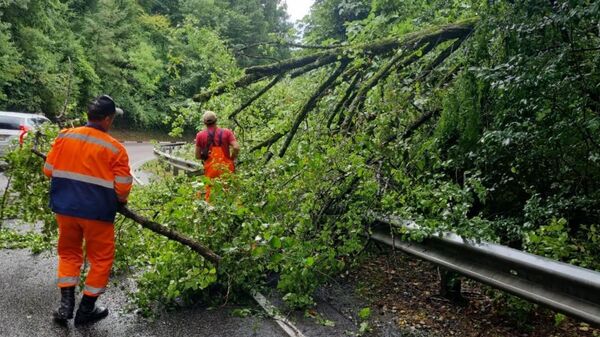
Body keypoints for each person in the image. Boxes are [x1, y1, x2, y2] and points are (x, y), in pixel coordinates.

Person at [43, 95, 132, 325]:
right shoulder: (116, 149)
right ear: (108, 119)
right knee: (101, 259)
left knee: (69, 253)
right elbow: (122, 188)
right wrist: (120, 200)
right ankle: (86, 310)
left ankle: (65, 306)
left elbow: (48, 169)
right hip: (98, 214)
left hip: (66, 209)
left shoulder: (65, 136)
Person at [195, 111, 240, 201]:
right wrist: (231, 158)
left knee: (211, 193)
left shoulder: (200, 135)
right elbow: (236, 147)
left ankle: (212, 212)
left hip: (211, 169)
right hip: (226, 168)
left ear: (204, 122)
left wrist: (205, 156)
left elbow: (197, 156)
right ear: (216, 120)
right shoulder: (227, 132)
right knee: (229, 192)